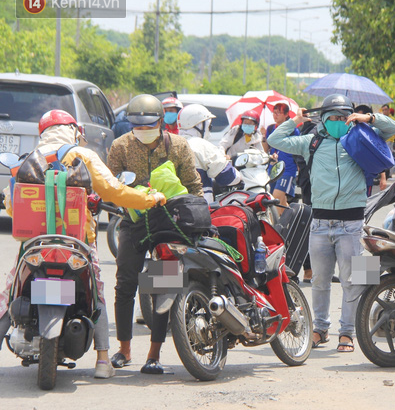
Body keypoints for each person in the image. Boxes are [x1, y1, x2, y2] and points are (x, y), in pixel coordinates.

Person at [0, 110, 166, 379]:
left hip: (36, 245)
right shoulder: (83, 155)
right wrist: (151, 198)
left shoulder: (27, 161)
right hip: (78, 243)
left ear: (43, 132)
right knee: (96, 292)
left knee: (10, 290)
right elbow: (115, 191)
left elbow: (11, 204)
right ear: (74, 130)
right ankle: (103, 360)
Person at [268, 94, 395, 352]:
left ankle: (348, 333)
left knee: (354, 280)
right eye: (332, 118)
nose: (338, 122)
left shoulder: (361, 137)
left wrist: (368, 117)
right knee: (319, 281)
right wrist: (295, 120)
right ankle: (320, 329)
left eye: (342, 117)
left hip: (352, 224)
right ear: (324, 120)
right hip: (320, 223)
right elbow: (274, 140)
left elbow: (393, 129)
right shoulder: (311, 142)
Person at [107, 94, 203, 375]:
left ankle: (154, 354)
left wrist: (192, 216)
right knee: (125, 284)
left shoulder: (179, 146)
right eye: (137, 125)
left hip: (169, 223)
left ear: (161, 122)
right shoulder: (120, 146)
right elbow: (111, 185)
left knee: (161, 287)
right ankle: (124, 349)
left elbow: (194, 186)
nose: (143, 130)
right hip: (134, 222)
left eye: (148, 125)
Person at [178, 104, 241, 204]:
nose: (209, 129)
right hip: (198, 208)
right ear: (200, 125)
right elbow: (228, 177)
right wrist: (238, 175)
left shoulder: (173, 143)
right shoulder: (200, 145)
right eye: (209, 126)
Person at [263, 103, 299, 214]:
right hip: (273, 168)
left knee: (276, 197)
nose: (276, 115)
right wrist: (264, 137)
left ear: (286, 114)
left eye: (279, 112)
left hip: (288, 169)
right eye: (274, 112)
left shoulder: (293, 130)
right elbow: (266, 149)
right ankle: (291, 218)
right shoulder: (270, 128)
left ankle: (277, 225)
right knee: (281, 201)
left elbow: (298, 149)